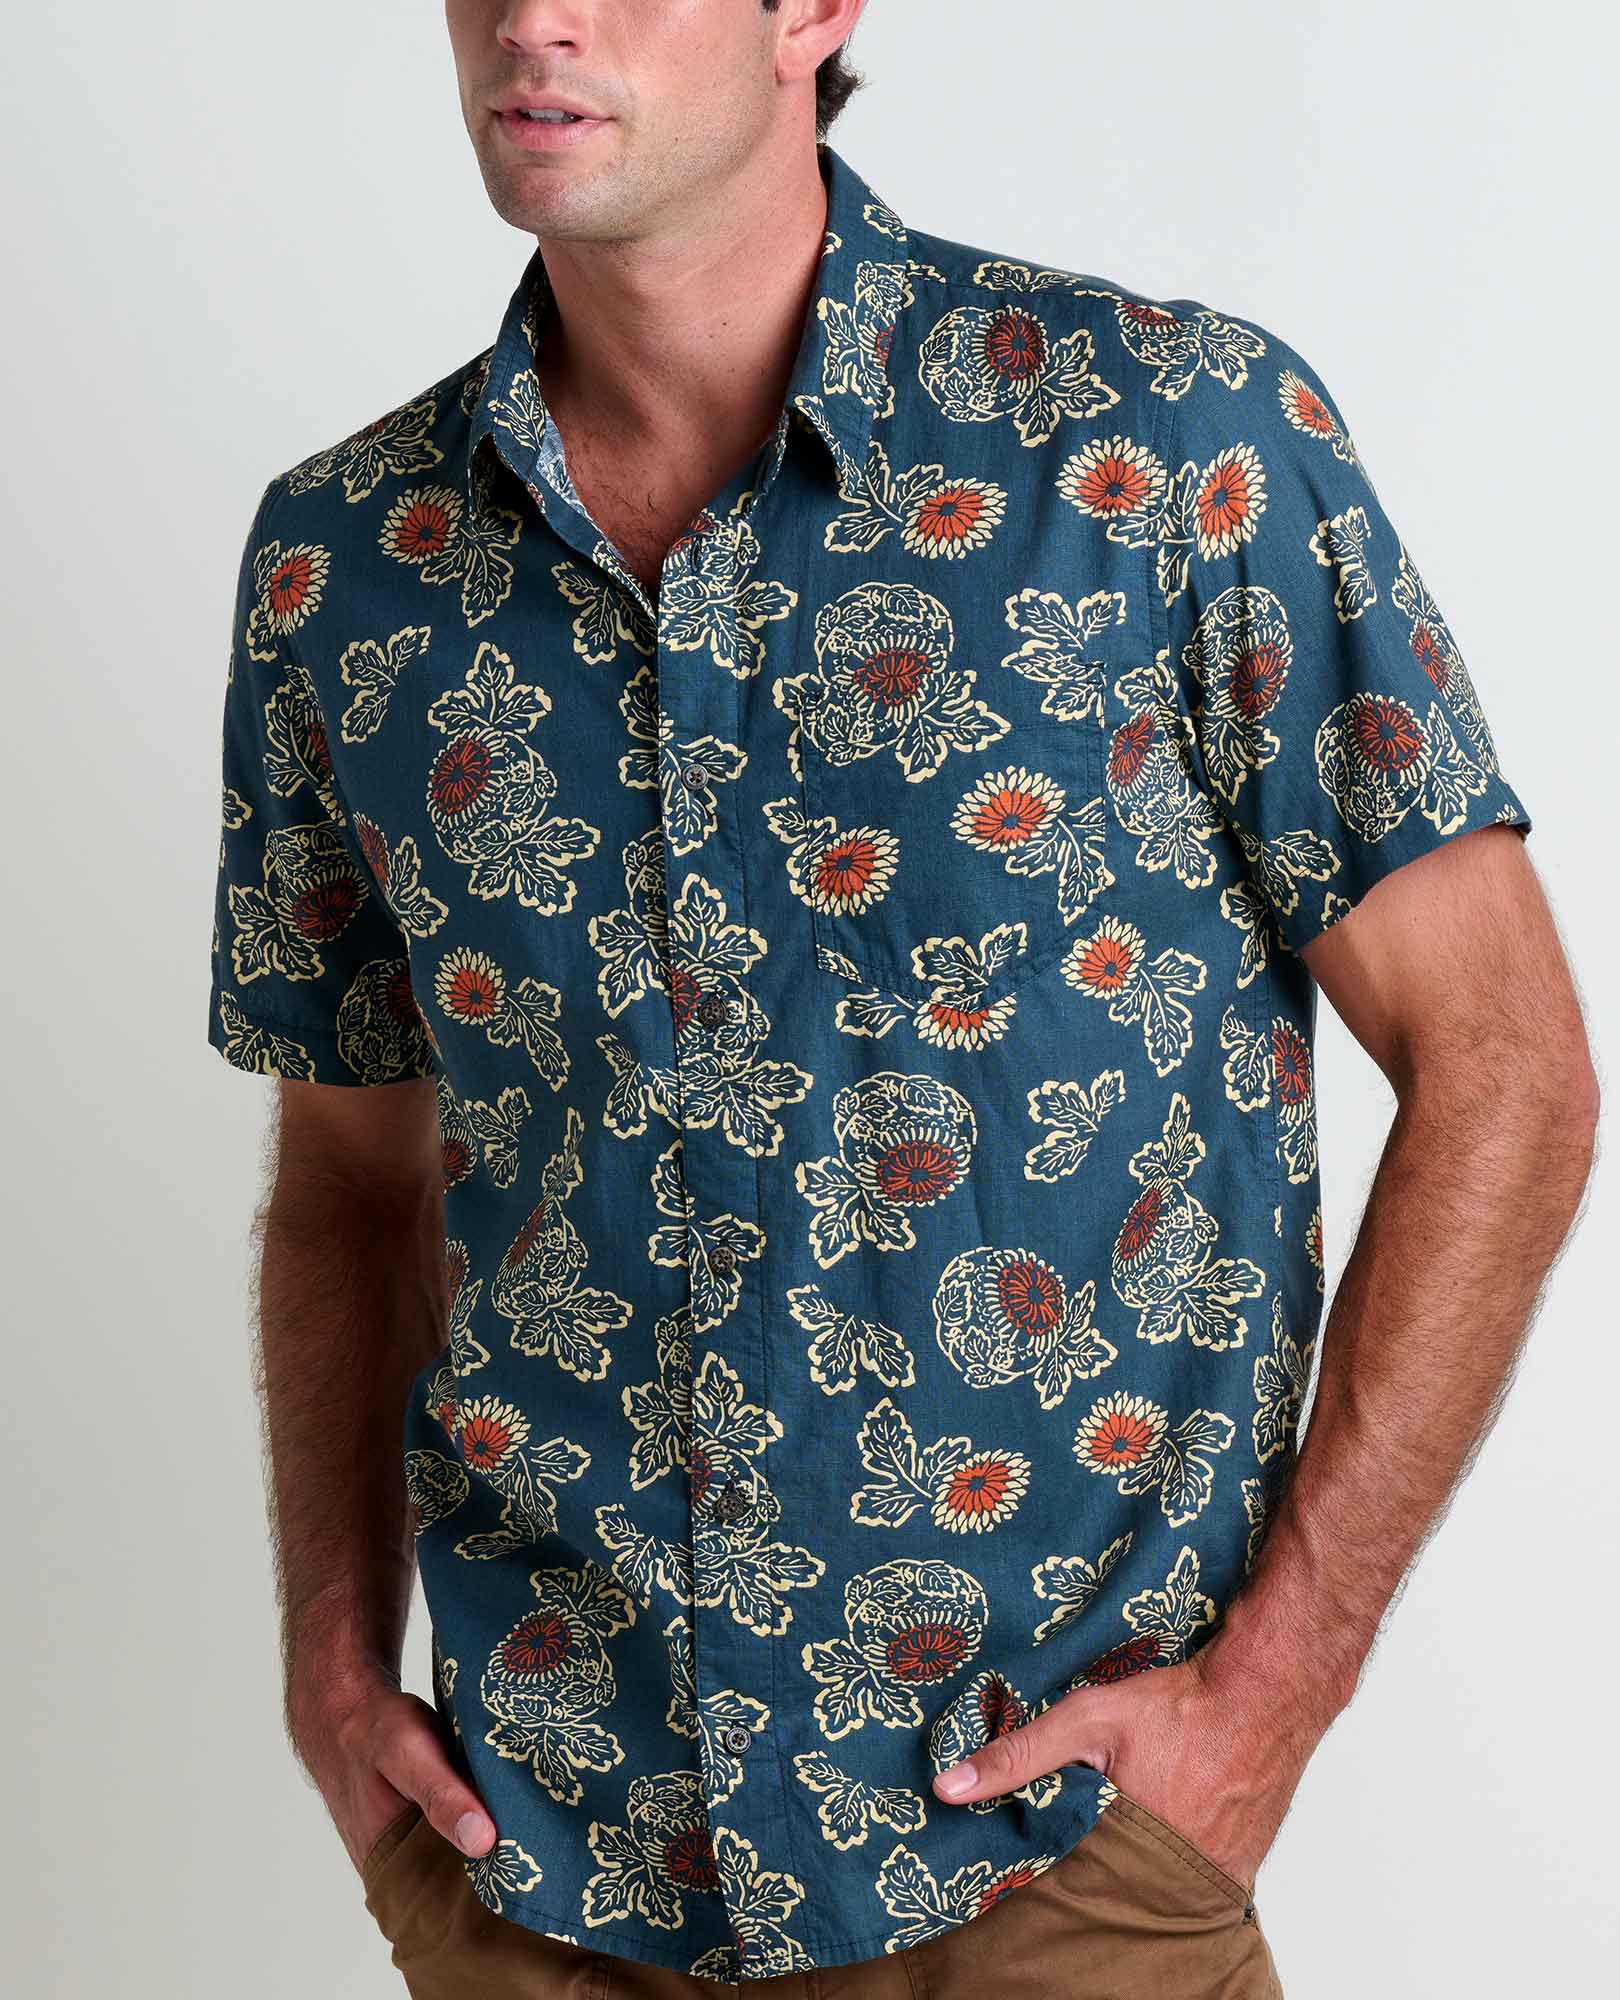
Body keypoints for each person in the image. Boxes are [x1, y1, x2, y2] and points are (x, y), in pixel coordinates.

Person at [206, 3, 1599, 1995]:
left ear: (815, 10)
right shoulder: (347, 566)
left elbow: (1505, 1063)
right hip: (545, 1880)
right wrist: (332, 1673)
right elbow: (351, 1181)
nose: (533, 15)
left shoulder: (1160, 446)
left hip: (1053, 1879)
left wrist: (1277, 1688)